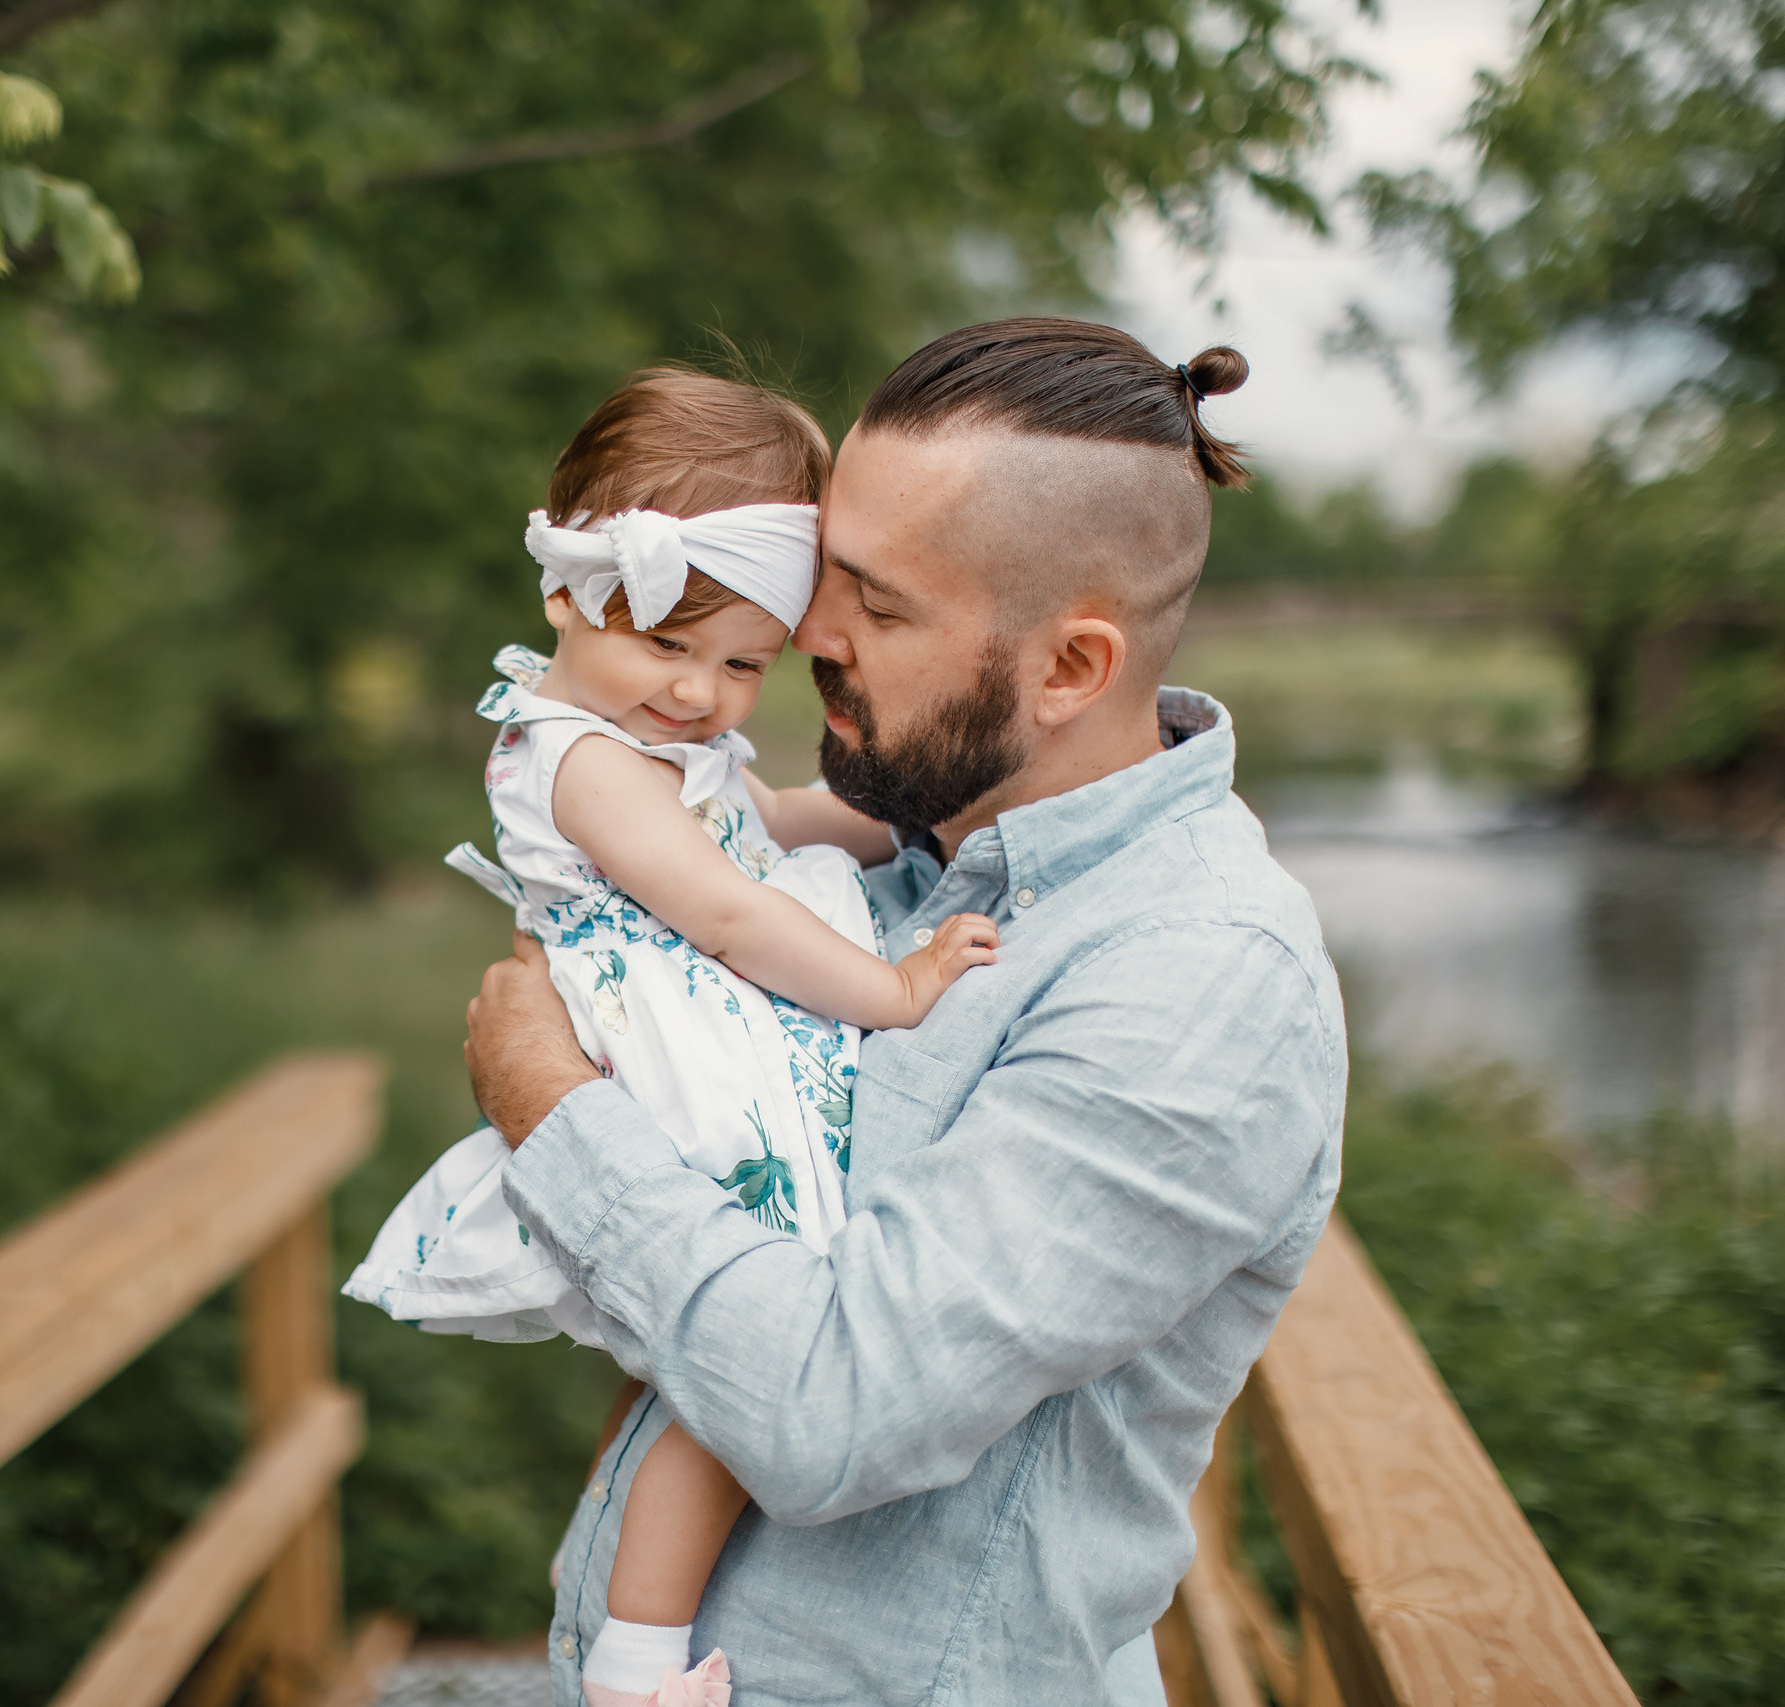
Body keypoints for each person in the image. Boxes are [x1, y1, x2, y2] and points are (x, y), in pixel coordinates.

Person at [462, 320, 1349, 1707]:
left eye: (873, 605)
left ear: (1069, 668)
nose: (807, 630)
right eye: (821, 572)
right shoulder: (906, 846)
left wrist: (549, 1100)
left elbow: (826, 1410)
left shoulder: (1196, 981)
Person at [344, 369, 999, 1705]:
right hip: (680, 1066)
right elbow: (724, 907)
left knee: (700, 1374)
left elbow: (771, 825)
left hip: (724, 1031)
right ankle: (638, 1665)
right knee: (737, 1361)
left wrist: (923, 820)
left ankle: (617, 1614)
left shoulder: (654, 739)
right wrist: (898, 990)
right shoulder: (577, 760)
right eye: (670, 648)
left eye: (746, 662)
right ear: (568, 595)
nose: (703, 696)